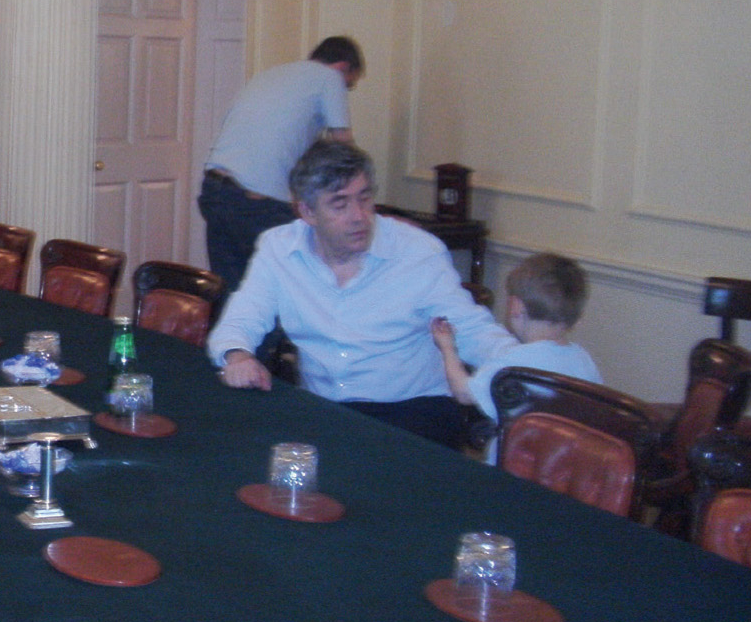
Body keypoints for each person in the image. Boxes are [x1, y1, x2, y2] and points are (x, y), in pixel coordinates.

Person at [206, 140, 517, 448]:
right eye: (340, 204)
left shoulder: (416, 252)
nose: (358, 216)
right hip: (324, 410)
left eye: (364, 199)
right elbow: (243, 317)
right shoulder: (279, 248)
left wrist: (530, 371)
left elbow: (472, 330)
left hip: (412, 413)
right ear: (307, 212)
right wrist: (238, 355)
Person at [198, 36, 364, 298]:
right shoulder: (329, 78)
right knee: (288, 289)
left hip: (215, 190)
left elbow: (283, 145)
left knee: (231, 296)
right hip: (254, 202)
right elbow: (344, 150)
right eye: (349, 85)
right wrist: (362, 200)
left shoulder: (271, 76)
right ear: (342, 67)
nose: (345, 90)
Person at [433, 252, 601, 460]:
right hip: (561, 468)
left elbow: (464, 393)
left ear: (516, 307)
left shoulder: (515, 364)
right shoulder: (584, 360)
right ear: (577, 320)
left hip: (512, 469)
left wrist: (448, 348)